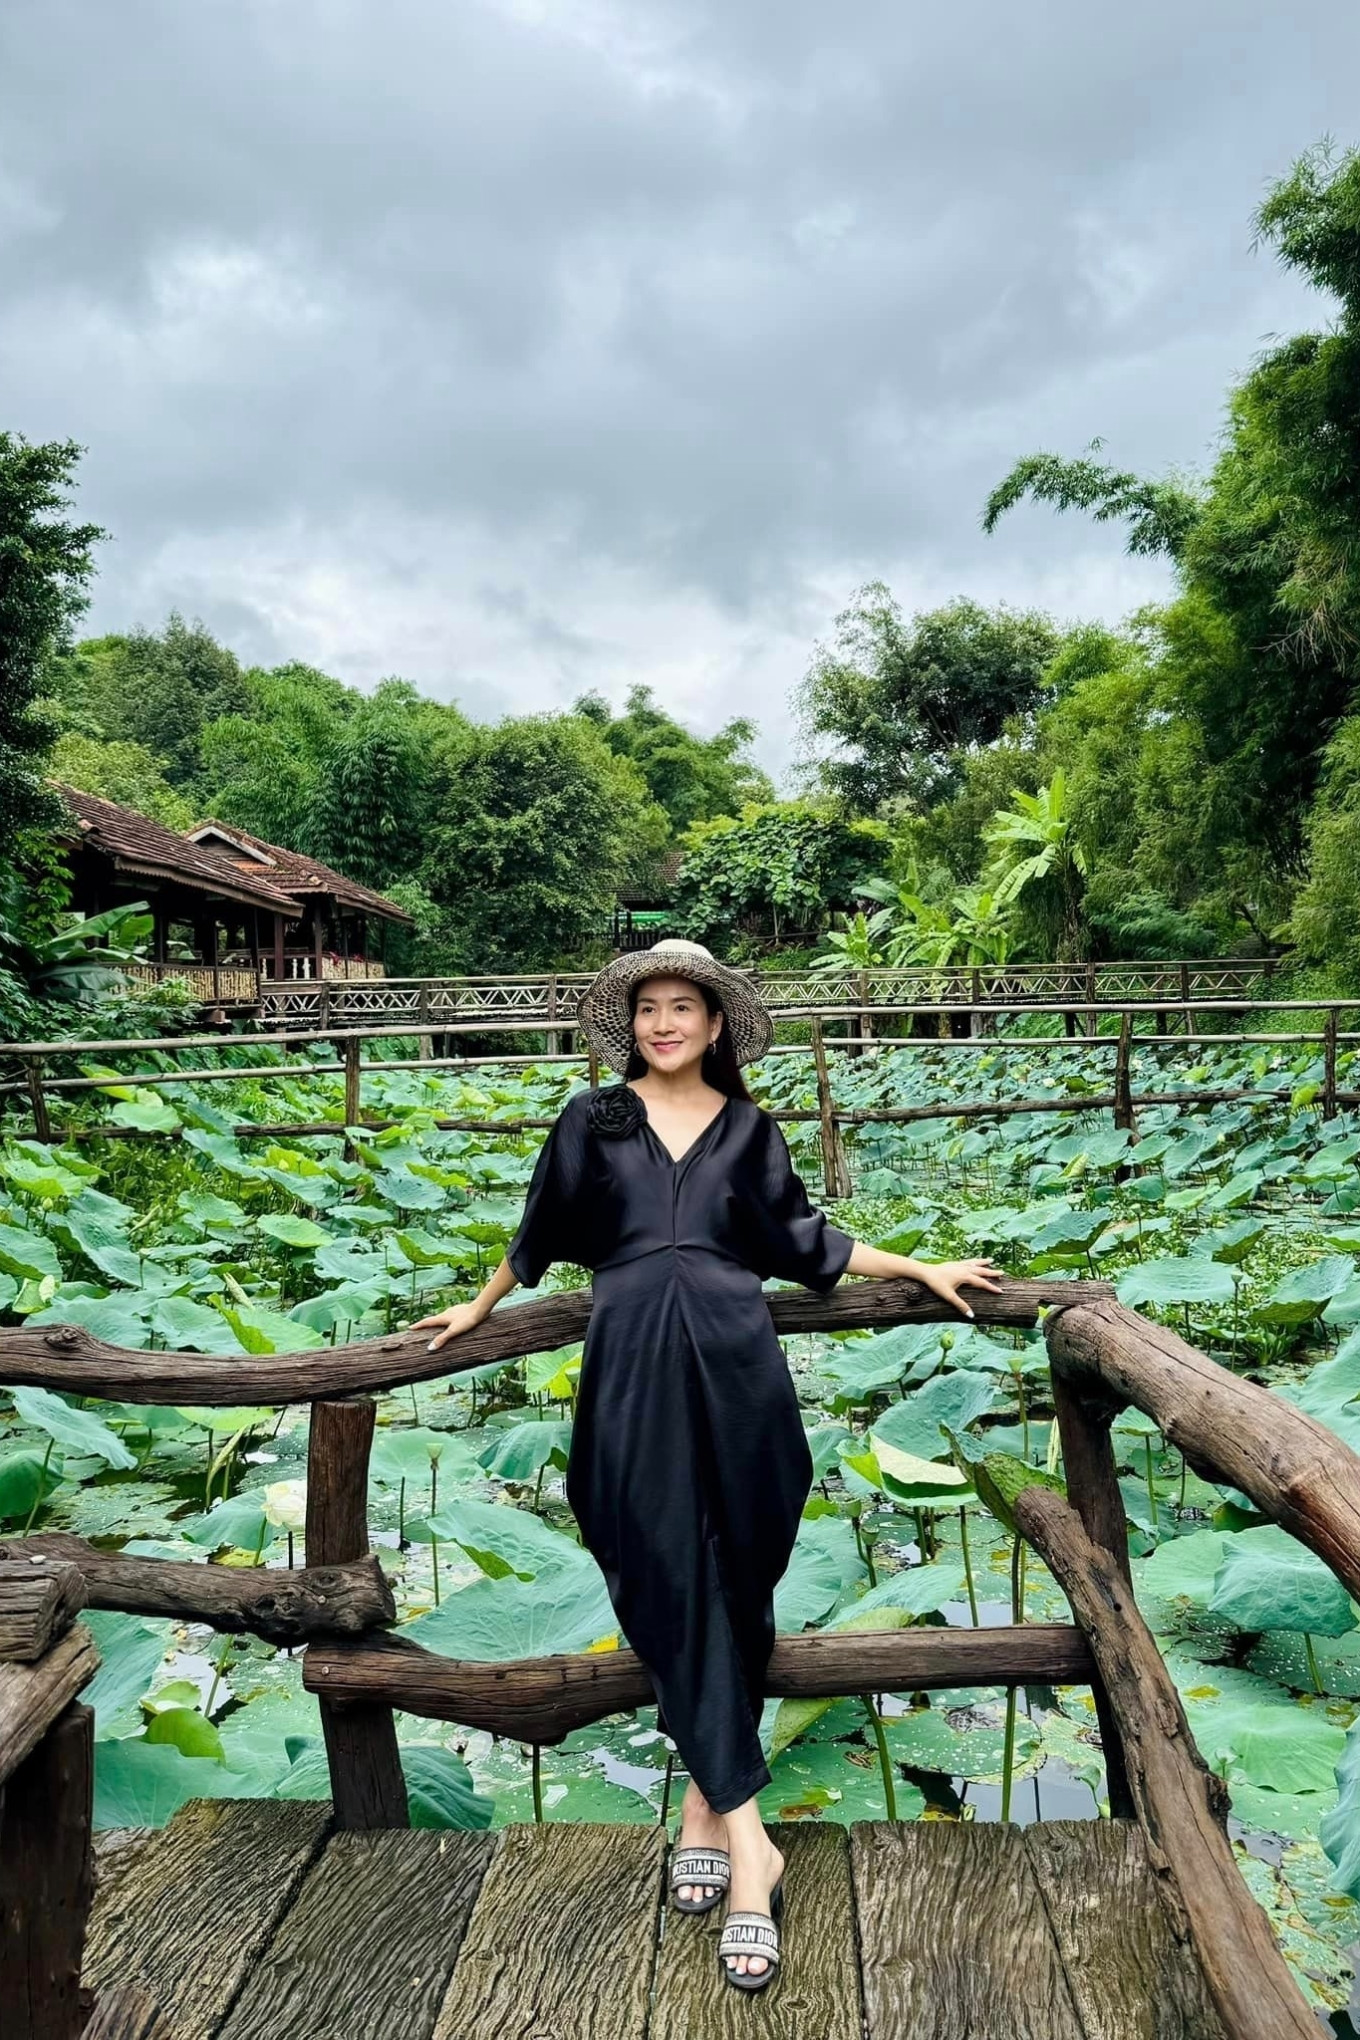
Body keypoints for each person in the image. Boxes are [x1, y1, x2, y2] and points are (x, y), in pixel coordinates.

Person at [410, 938, 1001, 1992]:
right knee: (655, 1565)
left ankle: (703, 1808)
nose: (664, 1023)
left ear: (716, 1025)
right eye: (649, 1010)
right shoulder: (596, 1119)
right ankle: (752, 1849)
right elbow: (538, 1229)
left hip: (738, 1368)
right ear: (629, 1026)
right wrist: (479, 1305)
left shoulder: (749, 1130)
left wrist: (917, 1264)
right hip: (632, 1364)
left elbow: (805, 1240)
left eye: (684, 1007)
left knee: (737, 1573)